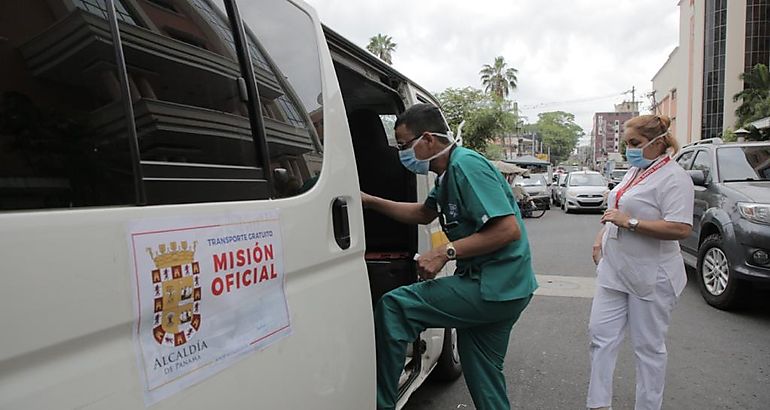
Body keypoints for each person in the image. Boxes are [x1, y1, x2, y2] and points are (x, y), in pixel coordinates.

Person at [361, 103, 538, 410]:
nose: (401, 153)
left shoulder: (466, 166)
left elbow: (508, 229)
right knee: (483, 376)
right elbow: (422, 212)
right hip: (508, 288)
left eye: (403, 145)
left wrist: (445, 251)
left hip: (493, 286)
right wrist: (369, 201)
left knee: (395, 307)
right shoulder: (445, 176)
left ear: (428, 139)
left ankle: (382, 405)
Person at [587, 114, 694, 410]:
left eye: (635, 143)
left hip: (651, 276)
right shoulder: (634, 172)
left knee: (648, 349)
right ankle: (598, 405)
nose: (629, 149)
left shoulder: (675, 178)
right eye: (626, 143)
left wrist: (630, 222)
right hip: (614, 269)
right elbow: (617, 209)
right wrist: (602, 235)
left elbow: (681, 228)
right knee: (600, 336)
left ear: (659, 143)